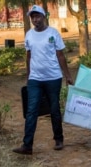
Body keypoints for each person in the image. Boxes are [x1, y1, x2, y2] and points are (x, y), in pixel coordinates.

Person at [13, 5, 73, 155]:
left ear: (44, 16)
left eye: (37, 16)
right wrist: (28, 76)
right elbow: (28, 56)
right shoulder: (29, 35)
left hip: (53, 78)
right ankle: (27, 145)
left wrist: (68, 75)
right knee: (31, 110)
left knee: (54, 109)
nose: (35, 19)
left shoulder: (53, 33)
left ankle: (58, 139)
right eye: (32, 17)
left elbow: (60, 55)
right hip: (35, 79)